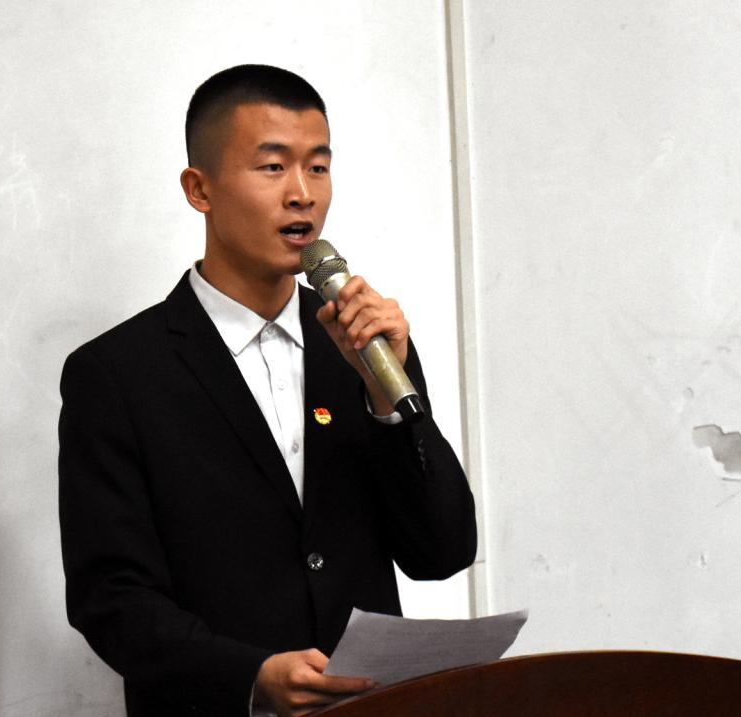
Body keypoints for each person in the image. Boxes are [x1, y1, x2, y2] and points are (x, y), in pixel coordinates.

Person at [58, 64, 477, 716]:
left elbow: (442, 551)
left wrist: (389, 406)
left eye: (318, 167)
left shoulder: (361, 346)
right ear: (200, 189)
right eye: (273, 167)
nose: (302, 194)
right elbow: (110, 598)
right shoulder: (117, 374)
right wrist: (250, 675)